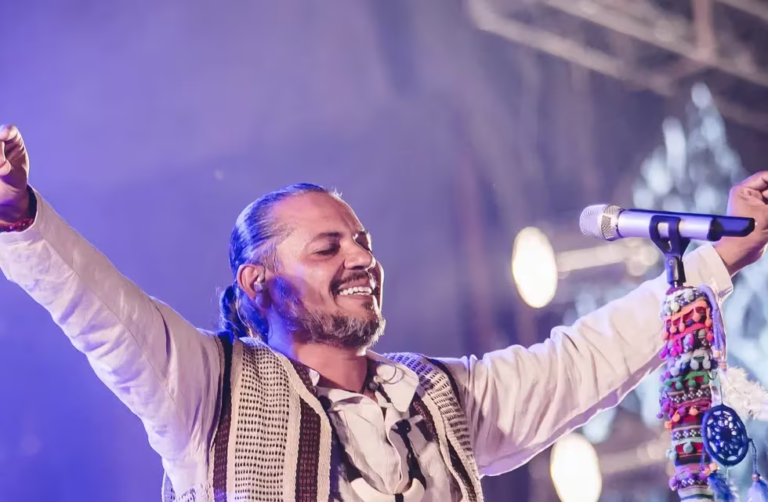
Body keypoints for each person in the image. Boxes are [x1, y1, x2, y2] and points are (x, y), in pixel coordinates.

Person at [0, 123, 766, 502]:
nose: (361, 258)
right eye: (327, 247)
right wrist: (21, 217)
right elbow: (106, 317)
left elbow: (579, 364)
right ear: (259, 284)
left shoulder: (436, 394)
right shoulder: (209, 393)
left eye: (363, 242)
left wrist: (717, 256)